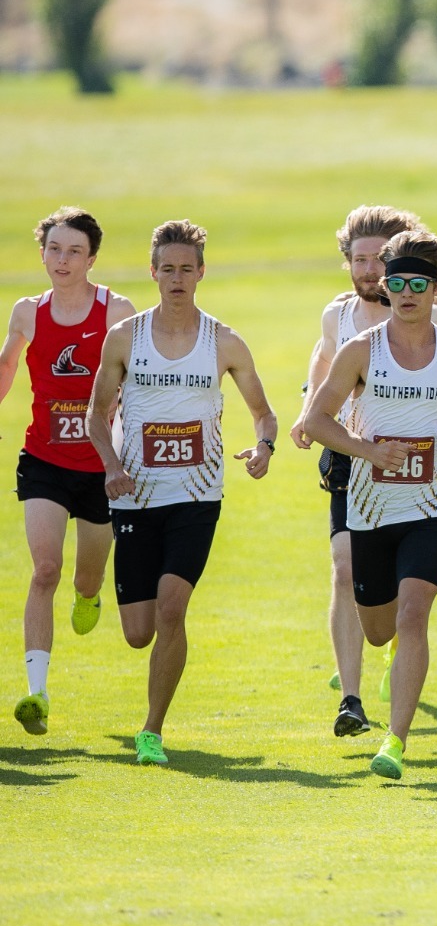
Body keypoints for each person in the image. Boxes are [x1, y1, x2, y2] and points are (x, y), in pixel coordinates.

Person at [303, 230, 437, 779]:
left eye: (418, 284)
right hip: (369, 507)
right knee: (378, 629)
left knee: (414, 614)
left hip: (431, 504)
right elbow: (316, 420)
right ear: (386, 287)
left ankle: (396, 739)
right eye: (397, 283)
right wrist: (367, 450)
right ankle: (385, 658)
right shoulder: (360, 351)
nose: (406, 294)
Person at [85, 221, 278, 766]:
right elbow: (96, 415)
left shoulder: (225, 342)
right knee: (137, 633)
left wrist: (264, 448)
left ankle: (152, 730)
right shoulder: (125, 338)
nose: (176, 278)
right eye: (167, 269)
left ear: (201, 273)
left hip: (196, 496)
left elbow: (263, 414)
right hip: (134, 496)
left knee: (173, 608)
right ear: (153, 272)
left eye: (186, 269)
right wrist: (111, 467)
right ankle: (94, 589)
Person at [292, 205, 437, 738]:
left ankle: (396, 637)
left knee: (399, 596)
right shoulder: (337, 317)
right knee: (343, 567)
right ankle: (351, 698)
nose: (367, 270)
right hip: (351, 456)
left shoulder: (432, 315)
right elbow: (322, 363)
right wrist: (307, 412)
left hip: (415, 466)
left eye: (376, 260)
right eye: (358, 260)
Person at [4, 208, 135, 736]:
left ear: (92, 259)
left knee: (84, 577)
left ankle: (89, 593)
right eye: (54, 249)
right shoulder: (27, 312)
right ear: (42, 254)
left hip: (103, 468)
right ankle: (37, 693)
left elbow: (139, 379)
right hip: (44, 461)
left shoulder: (117, 311)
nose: (62, 260)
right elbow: (7, 365)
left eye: (74, 251)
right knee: (45, 570)